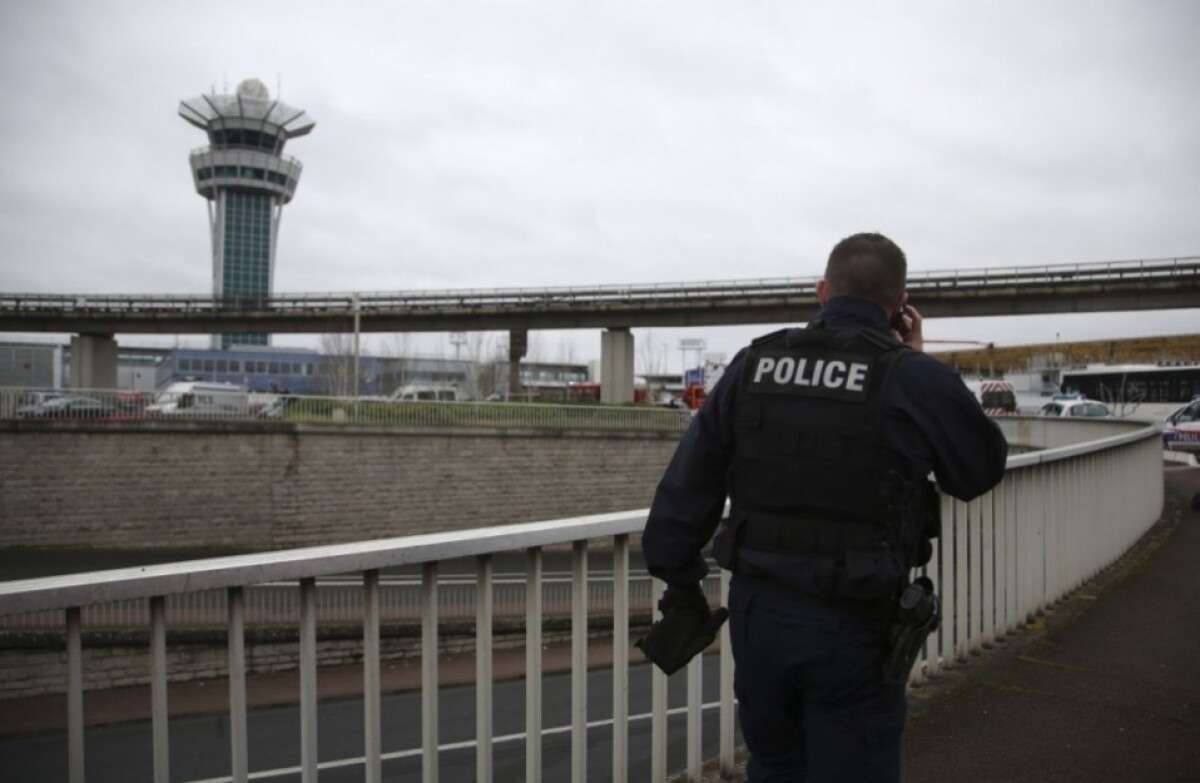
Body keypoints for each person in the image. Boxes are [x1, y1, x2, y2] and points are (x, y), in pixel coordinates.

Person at [640, 232, 1008, 782]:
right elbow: (976, 471)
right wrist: (914, 359)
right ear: (899, 304)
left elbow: (685, 488)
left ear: (821, 292)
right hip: (854, 621)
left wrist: (682, 580)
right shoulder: (909, 376)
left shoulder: (753, 365)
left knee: (775, 764)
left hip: (758, 614)